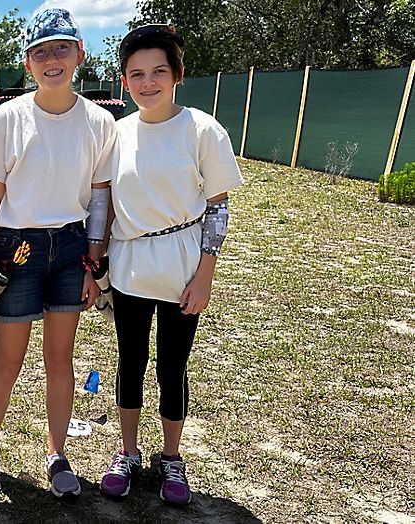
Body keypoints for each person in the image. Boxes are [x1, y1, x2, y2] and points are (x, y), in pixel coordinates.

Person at [0, 8, 119, 498]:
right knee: (8, 360)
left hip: (72, 248)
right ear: (27, 62)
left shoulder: (99, 121)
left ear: (80, 53)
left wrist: (94, 263)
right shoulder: (8, 117)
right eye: (39, 51)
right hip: (17, 249)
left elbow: (99, 198)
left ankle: (57, 455)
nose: (51, 59)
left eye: (61, 48)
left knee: (60, 359)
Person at [97, 25, 244, 505]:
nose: (148, 83)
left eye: (159, 71)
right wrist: (97, 263)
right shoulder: (117, 134)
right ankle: (128, 452)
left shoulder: (202, 130)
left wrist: (205, 275)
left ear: (177, 74)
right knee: (130, 361)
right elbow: (106, 203)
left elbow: (218, 207)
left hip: (183, 272)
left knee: (172, 366)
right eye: (137, 74)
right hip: (130, 269)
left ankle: (172, 458)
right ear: (124, 81)